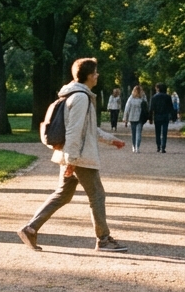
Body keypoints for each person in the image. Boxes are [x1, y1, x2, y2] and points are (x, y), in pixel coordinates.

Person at [19, 57, 128, 253]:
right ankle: (103, 239)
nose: (97, 75)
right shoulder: (81, 97)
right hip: (79, 158)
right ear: (87, 76)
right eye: (95, 72)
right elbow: (74, 131)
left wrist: (112, 140)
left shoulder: (78, 95)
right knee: (97, 196)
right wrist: (72, 161)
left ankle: (30, 228)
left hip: (73, 155)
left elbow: (88, 129)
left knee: (62, 195)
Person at [148, 83, 177, 153]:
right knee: (164, 132)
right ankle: (163, 147)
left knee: (157, 132)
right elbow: (171, 108)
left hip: (157, 116)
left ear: (158, 88)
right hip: (165, 116)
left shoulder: (154, 97)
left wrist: (150, 118)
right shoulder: (168, 97)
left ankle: (158, 146)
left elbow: (151, 109)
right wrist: (173, 117)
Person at [122, 84, 150, 153]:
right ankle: (137, 147)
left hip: (132, 117)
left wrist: (125, 118)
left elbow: (127, 108)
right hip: (140, 117)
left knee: (133, 133)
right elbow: (146, 107)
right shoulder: (143, 98)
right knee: (138, 133)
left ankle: (134, 146)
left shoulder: (131, 98)